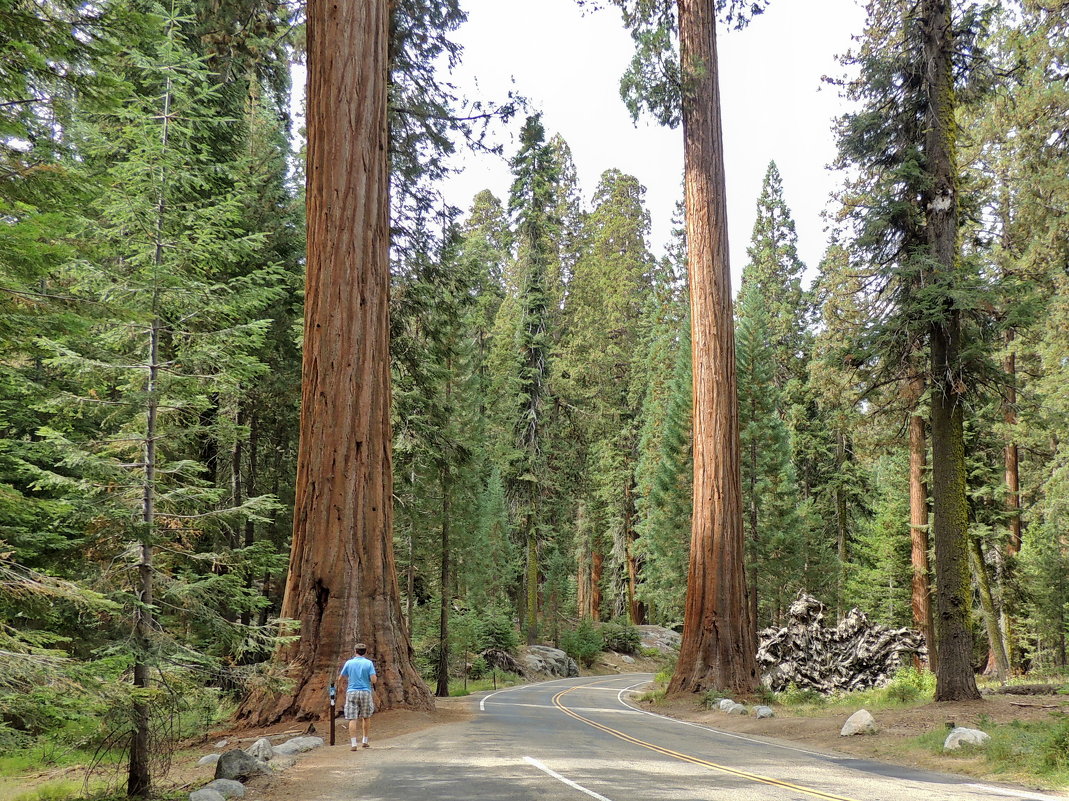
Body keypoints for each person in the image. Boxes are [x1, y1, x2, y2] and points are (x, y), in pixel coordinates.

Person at [338, 642, 378, 751]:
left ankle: (353, 744)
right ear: (365, 652)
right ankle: (365, 741)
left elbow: (340, 677)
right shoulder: (368, 663)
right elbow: (374, 680)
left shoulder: (349, 663)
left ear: (355, 651)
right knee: (366, 716)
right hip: (365, 691)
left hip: (352, 692)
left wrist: (340, 687)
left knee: (352, 718)